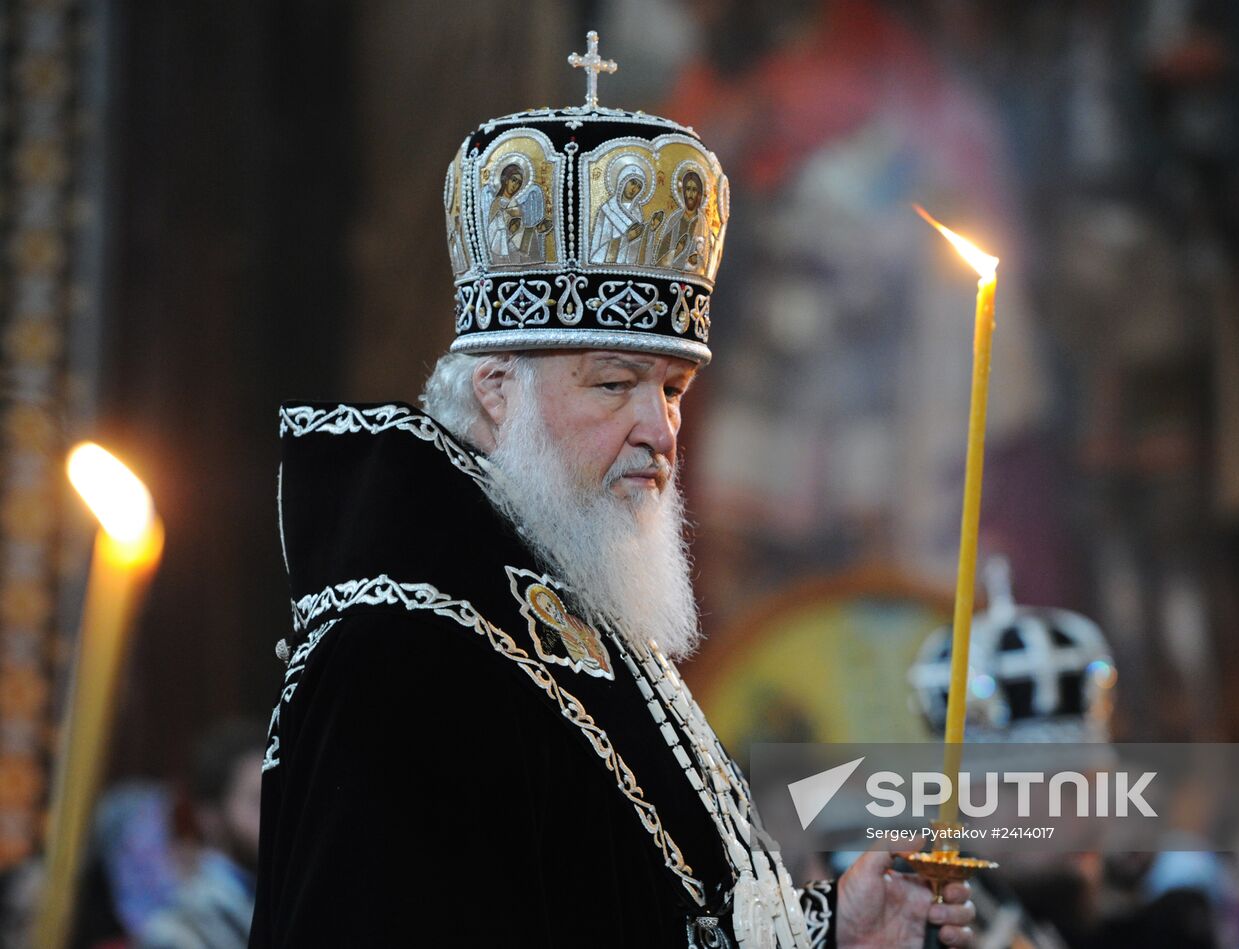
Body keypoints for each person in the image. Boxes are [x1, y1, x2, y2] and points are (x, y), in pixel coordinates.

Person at [251, 34, 974, 948]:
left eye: (672, 389)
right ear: (495, 389)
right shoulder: (400, 657)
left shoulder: (579, 612)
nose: (661, 430)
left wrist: (836, 932)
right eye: (612, 383)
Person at [139, 721, 263, 949]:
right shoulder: (179, 930)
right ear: (211, 816)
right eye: (258, 801)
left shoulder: (279, 900)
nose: (273, 814)